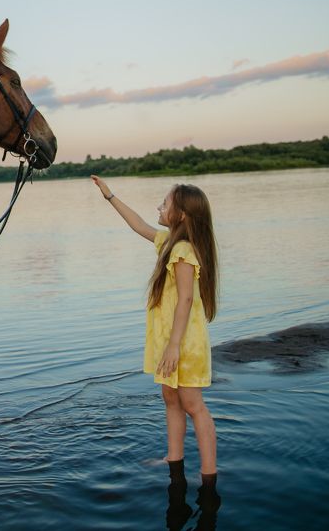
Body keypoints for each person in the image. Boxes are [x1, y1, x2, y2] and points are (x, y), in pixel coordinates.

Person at [90, 176, 220, 508]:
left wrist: (174, 345)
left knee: (193, 405)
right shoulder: (168, 242)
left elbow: (186, 299)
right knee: (170, 399)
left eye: (165, 203)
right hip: (168, 340)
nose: (159, 207)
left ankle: (209, 476)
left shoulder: (183, 250)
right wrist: (110, 196)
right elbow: (138, 225)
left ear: (182, 215)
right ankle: (173, 459)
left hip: (183, 343)